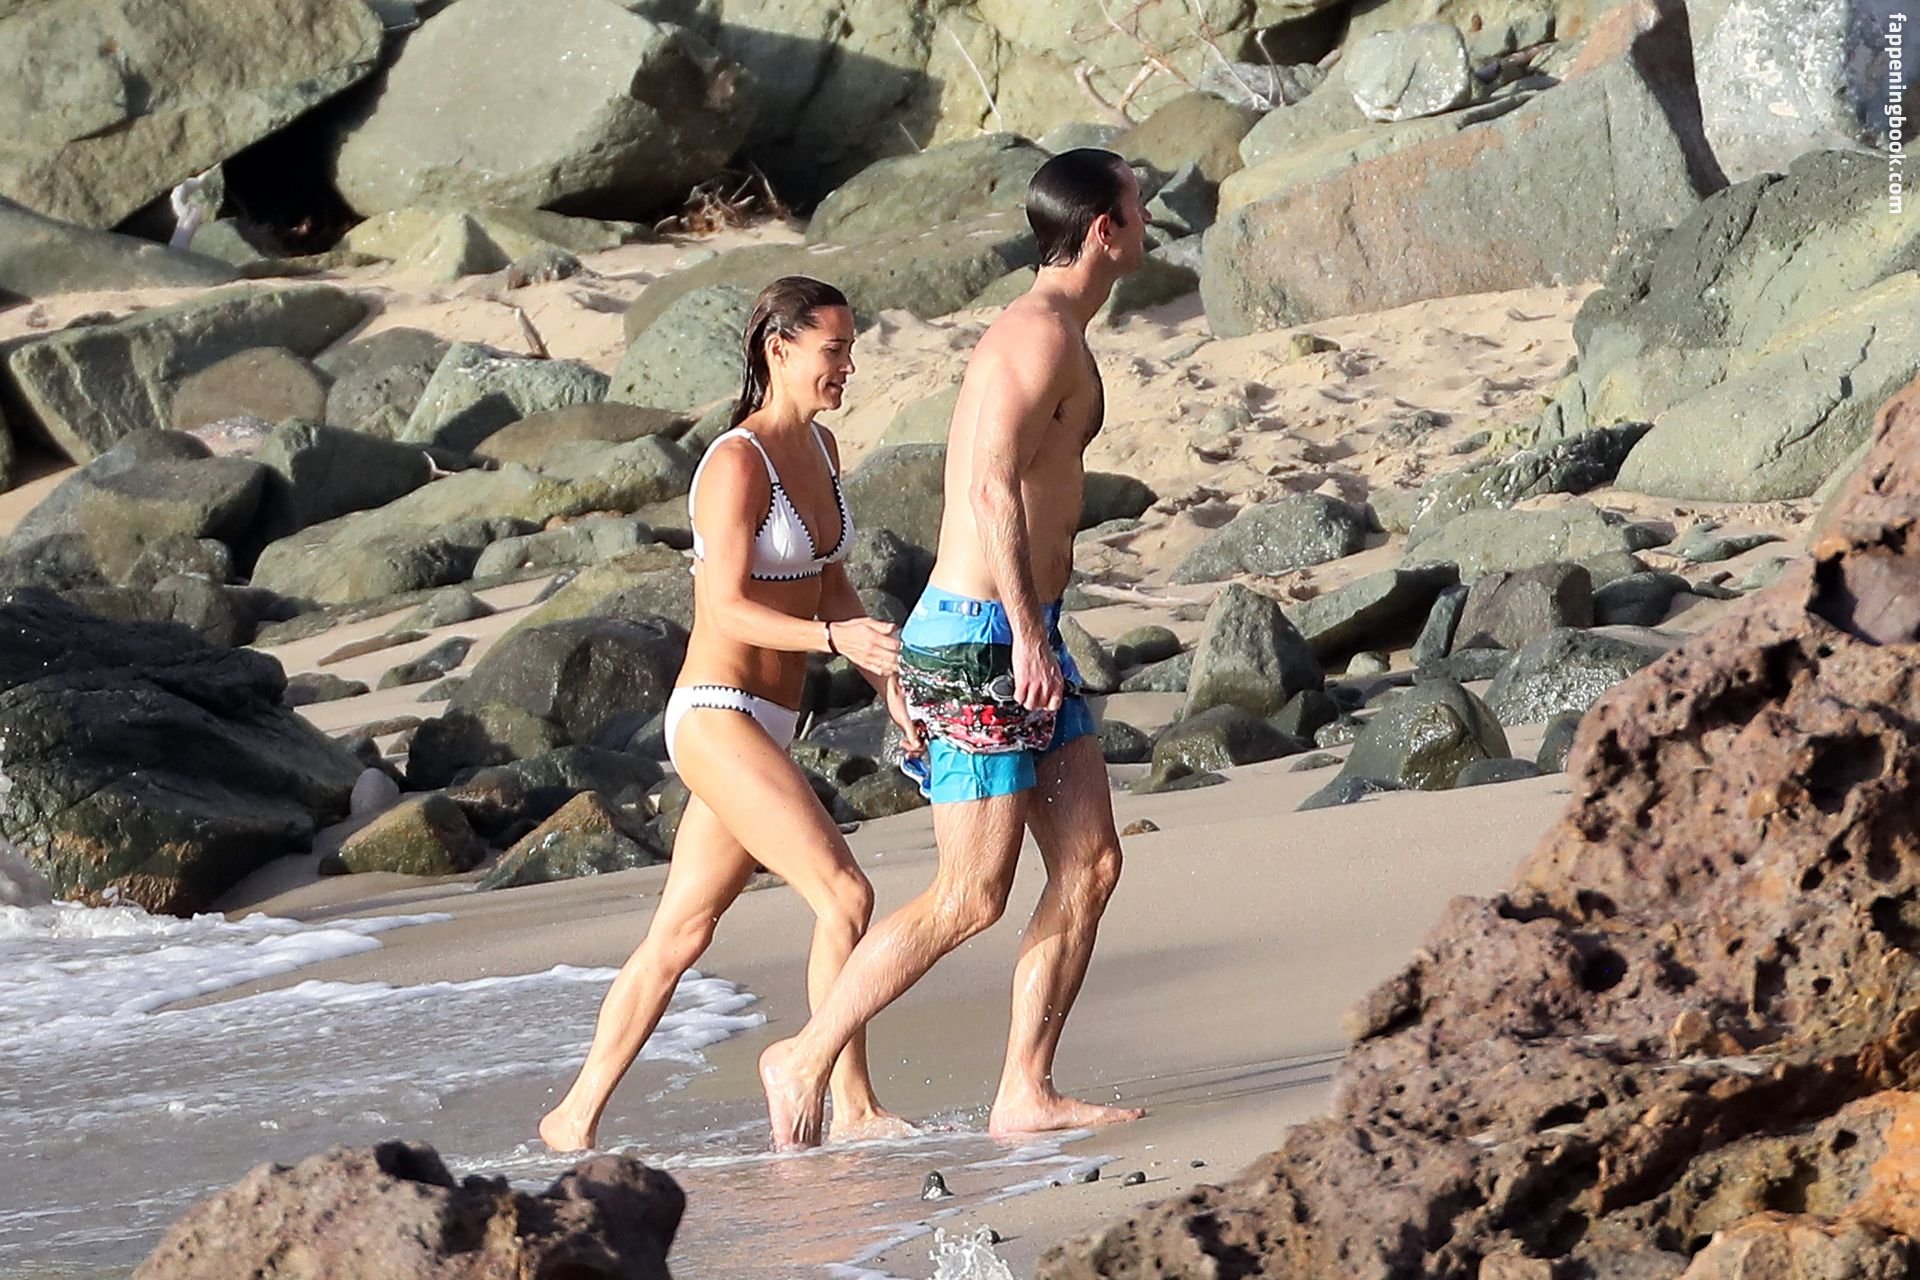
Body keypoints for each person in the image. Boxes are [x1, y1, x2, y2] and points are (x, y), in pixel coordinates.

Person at [757, 150, 1150, 1150]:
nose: (1149, 222)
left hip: (1023, 629)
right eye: (1138, 207)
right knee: (971, 894)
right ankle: (805, 1054)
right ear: (1103, 228)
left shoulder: (1062, 331)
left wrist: (1038, 626)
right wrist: (1026, 632)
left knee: (1091, 862)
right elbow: (986, 486)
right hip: (982, 638)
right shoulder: (1036, 335)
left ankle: (1025, 1088)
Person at [540, 276, 915, 1151]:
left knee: (681, 932)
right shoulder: (736, 463)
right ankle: (851, 1104)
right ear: (778, 348)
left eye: (851, 351)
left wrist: (886, 684)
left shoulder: (820, 448)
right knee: (844, 894)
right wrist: (832, 639)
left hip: (771, 721)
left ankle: (571, 1118)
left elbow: (830, 580)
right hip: (716, 712)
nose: (847, 368)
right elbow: (726, 608)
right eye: (833, 351)